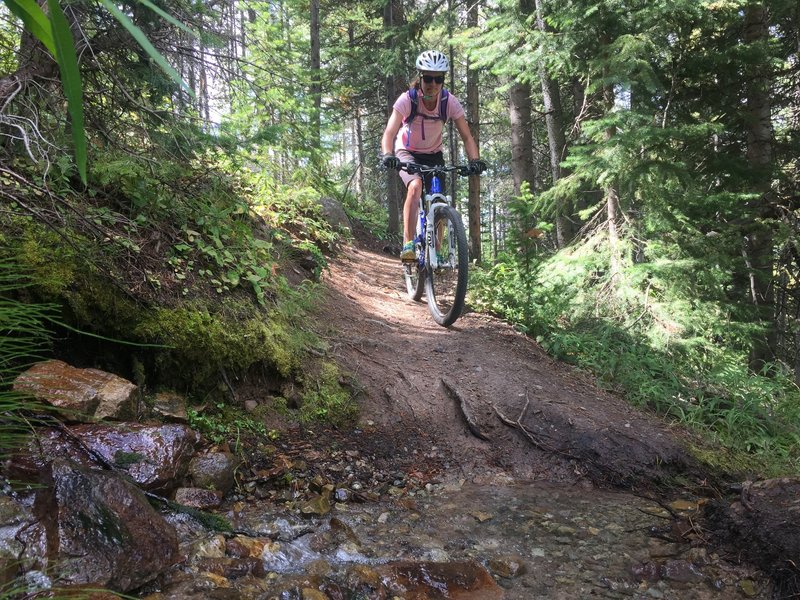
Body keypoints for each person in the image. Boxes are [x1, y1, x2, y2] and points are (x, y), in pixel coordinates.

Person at [381, 50, 486, 261]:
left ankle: (436, 249)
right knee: (415, 186)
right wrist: (388, 154)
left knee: (438, 197)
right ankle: (408, 243)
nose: (433, 83)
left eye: (438, 79)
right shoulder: (407, 100)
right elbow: (390, 132)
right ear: (420, 78)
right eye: (428, 78)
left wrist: (474, 160)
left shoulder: (449, 102)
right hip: (407, 152)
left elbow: (466, 136)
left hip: (433, 154)